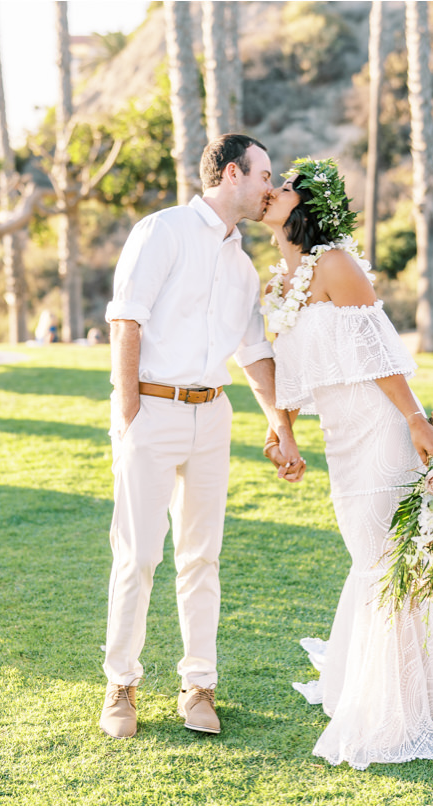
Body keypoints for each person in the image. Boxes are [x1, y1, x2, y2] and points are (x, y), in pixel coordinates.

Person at [259, 158, 433, 769]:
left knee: (379, 560)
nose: (270, 192)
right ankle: (387, 685)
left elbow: (379, 353)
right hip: (340, 439)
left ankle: (391, 709)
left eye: (283, 186)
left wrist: (416, 420)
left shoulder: (337, 265)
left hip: (380, 425)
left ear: (308, 204)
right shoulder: (278, 283)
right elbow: (286, 373)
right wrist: (282, 431)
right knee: (369, 557)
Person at [99, 133, 304, 741]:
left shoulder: (243, 265)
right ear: (234, 173)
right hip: (152, 413)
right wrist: (131, 410)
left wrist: (281, 427)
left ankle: (198, 685)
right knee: (137, 556)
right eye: (266, 174)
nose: (271, 186)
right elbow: (126, 319)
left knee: (202, 558)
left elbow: (254, 353)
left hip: (214, 415)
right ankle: (121, 685)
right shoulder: (160, 230)